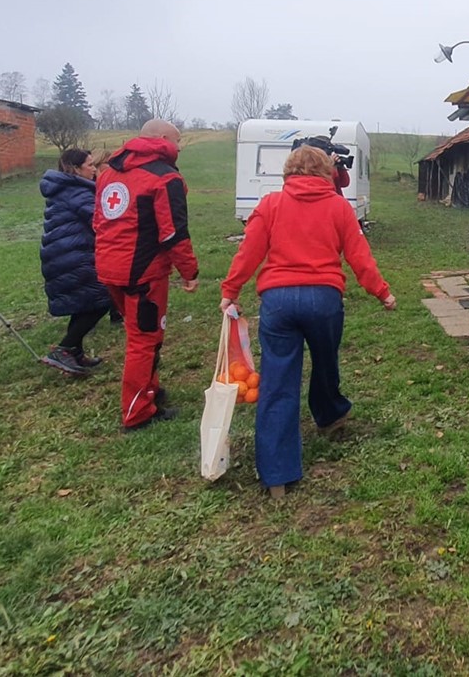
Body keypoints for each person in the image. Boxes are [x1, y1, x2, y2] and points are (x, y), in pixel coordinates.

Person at [220, 144, 396, 498]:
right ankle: (330, 415)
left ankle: (277, 475)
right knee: (325, 361)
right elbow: (359, 255)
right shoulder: (339, 207)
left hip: (278, 301)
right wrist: (382, 292)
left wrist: (231, 290)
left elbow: (249, 251)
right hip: (324, 299)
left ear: (288, 172)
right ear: (327, 173)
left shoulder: (270, 204)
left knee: (277, 383)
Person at [93, 119, 200, 431]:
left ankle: (151, 390)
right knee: (144, 340)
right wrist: (189, 271)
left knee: (141, 334)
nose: (180, 147)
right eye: (178, 140)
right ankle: (138, 412)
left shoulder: (109, 173)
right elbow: (174, 233)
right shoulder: (166, 178)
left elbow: (98, 221)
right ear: (163, 139)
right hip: (143, 272)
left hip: (109, 266)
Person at [38, 147, 112, 374]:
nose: (94, 169)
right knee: (102, 299)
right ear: (75, 169)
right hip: (72, 254)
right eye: (90, 165)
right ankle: (65, 348)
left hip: (67, 251)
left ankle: (75, 352)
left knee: (83, 301)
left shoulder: (69, 188)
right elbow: (99, 219)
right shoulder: (76, 191)